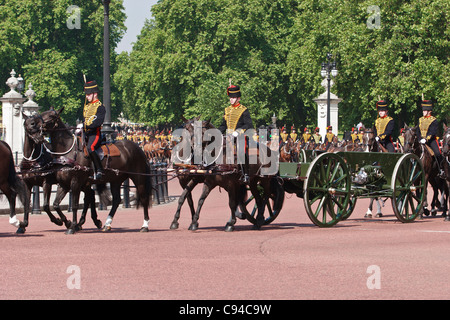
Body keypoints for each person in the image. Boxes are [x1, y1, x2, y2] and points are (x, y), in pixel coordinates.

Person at [218, 84, 253, 183]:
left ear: (238, 98)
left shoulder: (244, 110)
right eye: (230, 97)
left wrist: (238, 132)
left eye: (233, 97)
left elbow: (248, 125)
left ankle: (245, 174)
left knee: (241, 152)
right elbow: (223, 125)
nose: (231, 100)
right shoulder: (227, 110)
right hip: (228, 137)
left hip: (240, 137)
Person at [82, 80, 106, 180]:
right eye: (86, 95)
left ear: (94, 94)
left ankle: (99, 169)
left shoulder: (100, 107)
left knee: (90, 148)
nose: (87, 97)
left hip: (94, 134)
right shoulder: (86, 107)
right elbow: (84, 119)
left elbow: (98, 122)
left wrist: (87, 126)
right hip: (85, 134)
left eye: (88, 95)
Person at [417, 99, 445, 178]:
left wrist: (426, 139)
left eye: (425, 110)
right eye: (423, 110)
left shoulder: (434, 120)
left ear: (429, 111)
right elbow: (417, 130)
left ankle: (441, 170)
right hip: (421, 141)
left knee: (437, 153)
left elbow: (432, 132)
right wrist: (419, 139)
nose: (423, 112)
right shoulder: (420, 119)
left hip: (430, 141)